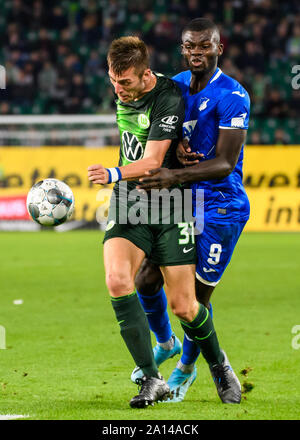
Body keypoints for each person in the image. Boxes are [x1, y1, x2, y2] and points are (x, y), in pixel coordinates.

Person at [87, 36, 227, 408]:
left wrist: (113, 172)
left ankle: (218, 364)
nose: (118, 90)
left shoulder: (168, 97)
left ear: (146, 74)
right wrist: (121, 181)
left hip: (170, 205)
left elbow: (151, 162)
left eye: (126, 83)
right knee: (118, 280)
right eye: (112, 81)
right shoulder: (125, 91)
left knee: (185, 305)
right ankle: (153, 379)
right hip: (130, 202)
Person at [132, 18, 250, 404]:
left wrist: (171, 176)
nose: (197, 52)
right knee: (146, 278)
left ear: (219, 47)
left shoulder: (233, 95)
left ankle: (189, 367)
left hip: (220, 207)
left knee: (194, 301)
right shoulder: (174, 85)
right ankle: (164, 343)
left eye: (204, 46)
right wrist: (171, 158)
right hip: (182, 201)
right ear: (182, 48)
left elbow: (225, 163)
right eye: (190, 46)